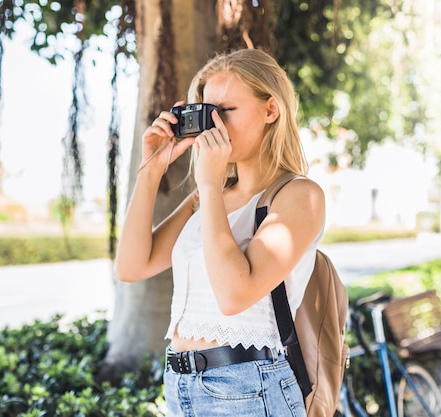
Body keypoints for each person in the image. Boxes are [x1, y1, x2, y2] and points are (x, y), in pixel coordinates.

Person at [115, 48, 325, 417]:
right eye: (207, 112)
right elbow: (132, 267)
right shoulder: (207, 198)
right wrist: (151, 171)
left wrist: (210, 186)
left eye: (226, 111)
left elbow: (233, 295)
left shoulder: (299, 196)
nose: (214, 125)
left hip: (248, 389)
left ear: (270, 110)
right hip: (180, 385)